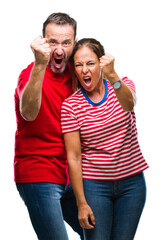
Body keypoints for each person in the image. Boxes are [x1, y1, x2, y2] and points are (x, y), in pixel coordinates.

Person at [61, 38, 149, 240]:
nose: (84, 70)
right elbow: (73, 157)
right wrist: (81, 203)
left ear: (101, 64)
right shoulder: (71, 106)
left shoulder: (122, 85)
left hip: (132, 185)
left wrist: (113, 76)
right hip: (94, 187)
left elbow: (129, 104)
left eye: (90, 63)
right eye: (78, 65)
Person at [14, 12, 84, 240]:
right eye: (53, 41)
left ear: (74, 44)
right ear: (43, 41)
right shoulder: (31, 74)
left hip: (72, 176)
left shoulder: (78, 75)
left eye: (66, 42)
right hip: (39, 173)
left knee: (100, 232)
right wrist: (39, 64)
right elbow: (28, 112)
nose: (59, 49)